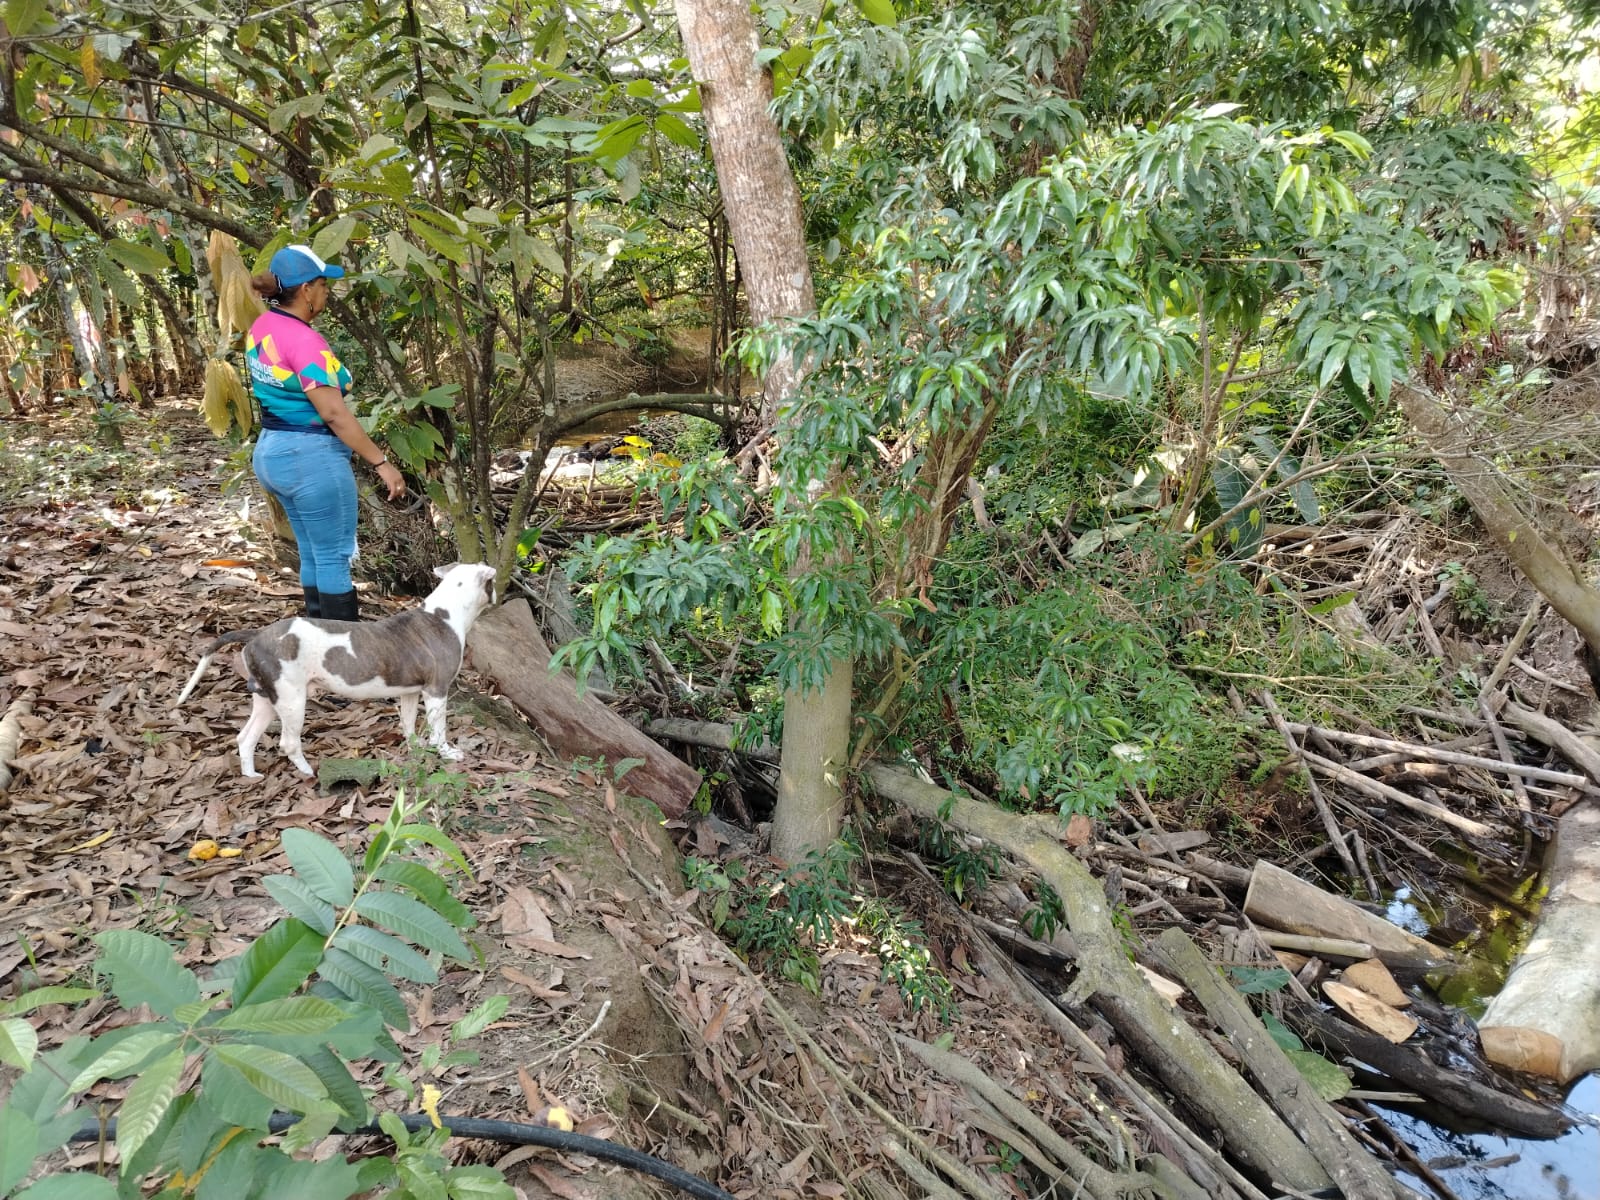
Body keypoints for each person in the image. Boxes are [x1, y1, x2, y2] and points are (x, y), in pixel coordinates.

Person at [245, 244, 406, 622]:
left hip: (273, 453)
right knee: (333, 557)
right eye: (323, 285)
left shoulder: (263, 326)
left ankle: (318, 640)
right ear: (306, 290)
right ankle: (342, 648)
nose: (327, 292)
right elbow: (333, 413)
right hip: (309, 459)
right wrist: (381, 463)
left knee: (313, 553)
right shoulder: (305, 341)